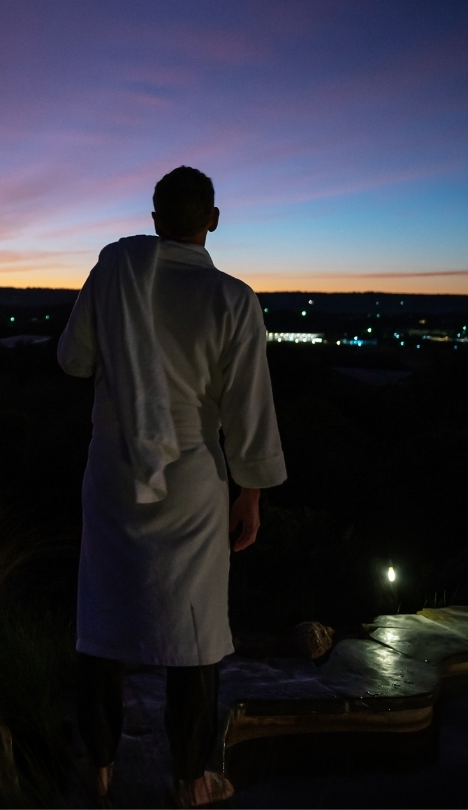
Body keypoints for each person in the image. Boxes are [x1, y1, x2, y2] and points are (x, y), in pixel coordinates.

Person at [57, 166, 286, 807]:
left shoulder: (114, 275)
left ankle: (98, 769)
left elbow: (73, 361)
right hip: (191, 476)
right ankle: (190, 780)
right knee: (195, 629)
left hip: (113, 466)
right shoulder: (233, 299)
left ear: (154, 219)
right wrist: (251, 492)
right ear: (211, 220)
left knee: (101, 619)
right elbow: (250, 410)